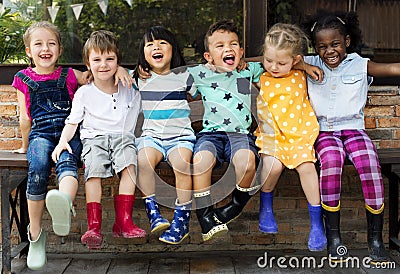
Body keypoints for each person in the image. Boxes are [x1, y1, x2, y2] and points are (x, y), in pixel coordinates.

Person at [303, 10, 400, 263]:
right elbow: (274, 58)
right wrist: (303, 64)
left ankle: (375, 238)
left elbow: (390, 67)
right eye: (322, 46)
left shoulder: (360, 63)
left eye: (335, 44)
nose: (329, 51)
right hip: (324, 132)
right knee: (331, 162)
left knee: (370, 165)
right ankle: (334, 238)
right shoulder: (309, 62)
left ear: (346, 41)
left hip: (354, 130)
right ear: (315, 48)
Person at [12, 21, 97, 270]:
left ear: (59, 50)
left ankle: (63, 201)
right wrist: (25, 145)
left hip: (68, 134)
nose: (45, 48)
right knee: (36, 165)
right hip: (40, 135)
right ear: (28, 51)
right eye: (38, 44)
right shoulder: (22, 79)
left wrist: (120, 72)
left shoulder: (70, 75)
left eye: (51, 43)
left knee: (68, 162)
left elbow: (93, 75)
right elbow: (25, 118)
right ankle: (36, 235)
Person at [52, 30, 144, 251]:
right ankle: (94, 226)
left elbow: (147, 72)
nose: (103, 65)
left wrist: (123, 70)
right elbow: (73, 121)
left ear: (118, 61)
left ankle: (124, 221)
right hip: (95, 139)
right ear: (88, 64)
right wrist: (63, 141)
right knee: (92, 173)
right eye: (97, 60)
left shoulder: (130, 86)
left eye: (110, 59)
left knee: (130, 166)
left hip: (123, 138)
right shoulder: (85, 93)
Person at [186, 19, 265, 242]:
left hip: (240, 135)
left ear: (240, 51)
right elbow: (167, 75)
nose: (227, 49)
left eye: (233, 45)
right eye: (219, 46)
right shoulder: (200, 73)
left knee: (248, 163)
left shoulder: (248, 70)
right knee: (201, 161)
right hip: (210, 134)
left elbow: (277, 59)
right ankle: (205, 217)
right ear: (208, 56)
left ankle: (235, 206)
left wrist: (245, 60)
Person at [254, 23, 327, 252]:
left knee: (307, 167)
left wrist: (304, 65)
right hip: (271, 135)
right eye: (269, 60)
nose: (274, 67)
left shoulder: (300, 74)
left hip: (298, 134)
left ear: (295, 60)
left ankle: (317, 224)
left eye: (281, 63)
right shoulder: (259, 75)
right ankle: (266, 207)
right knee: (272, 166)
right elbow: (238, 61)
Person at [134, 26, 197, 244]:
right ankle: (154, 213)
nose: (156, 47)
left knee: (181, 164)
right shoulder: (139, 79)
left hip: (180, 136)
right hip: (151, 136)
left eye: (162, 43)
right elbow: (113, 76)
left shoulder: (184, 76)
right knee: (143, 161)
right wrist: (125, 71)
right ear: (143, 53)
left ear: (173, 50)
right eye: (149, 44)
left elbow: (204, 88)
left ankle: (181, 221)